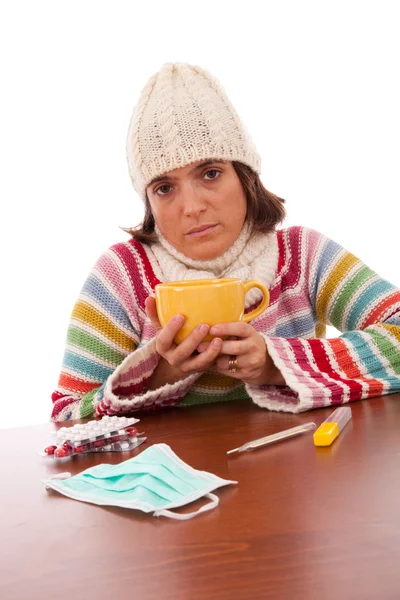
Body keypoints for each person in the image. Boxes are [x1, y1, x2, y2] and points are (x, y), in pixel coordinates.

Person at [51, 62, 400, 422]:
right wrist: (166, 372)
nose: (192, 207)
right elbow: (66, 415)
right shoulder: (120, 278)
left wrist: (277, 363)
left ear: (245, 175)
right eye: (165, 187)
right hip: (176, 477)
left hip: (292, 473)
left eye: (210, 173)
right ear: (149, 202)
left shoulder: (303, 256)